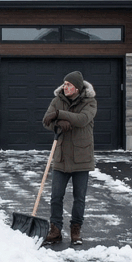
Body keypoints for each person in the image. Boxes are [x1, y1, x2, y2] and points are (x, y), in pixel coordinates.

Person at [41, 71, 97, 245]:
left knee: (79, 198)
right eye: (64, 84)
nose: (65, 87)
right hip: (62, 157)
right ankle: (55, 230)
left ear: (77, 88)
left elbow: (82, 119)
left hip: (82, 157)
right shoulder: (57, 100)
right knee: (56, 196)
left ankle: (75, 230)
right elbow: (46, 121)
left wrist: (59, 114)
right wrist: (57, 123)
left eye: (69, 85)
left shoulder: (89, 102)